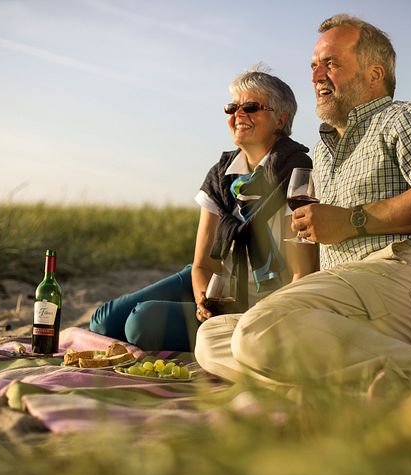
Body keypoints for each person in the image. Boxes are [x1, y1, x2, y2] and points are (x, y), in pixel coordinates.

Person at [194, 14, 411, 393]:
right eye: (314, 65)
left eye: (331, 63)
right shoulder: (321, 154)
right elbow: (309, 261)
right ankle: (351, 389)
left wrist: (353, 221)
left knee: (258, 329)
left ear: (374, 73)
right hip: (345, 299)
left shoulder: (407, 117)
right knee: (213, 337)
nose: (317, 75)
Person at [89, 68, 317, 352]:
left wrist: (261, 318)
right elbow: (202, 264)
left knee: (140, 323)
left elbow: (302, 274)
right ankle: (191, 315)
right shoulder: (221, 176)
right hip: (213, 283)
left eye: (251, 107)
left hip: (261, 300)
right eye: (232, 107)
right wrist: (204, 302)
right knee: (103, 322)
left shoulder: (296, 175)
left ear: (281, 119)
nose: (238, 115)